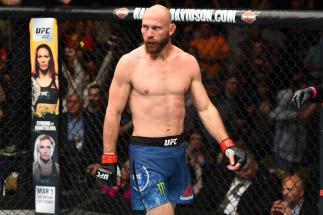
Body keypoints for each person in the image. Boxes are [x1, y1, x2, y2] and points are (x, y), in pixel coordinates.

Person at [96, 4, 246, 215]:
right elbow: (113, 112)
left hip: (177, 151)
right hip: (146, 153)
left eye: (156, 28)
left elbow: (205, 108)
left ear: (171, 29)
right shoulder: (129, 63)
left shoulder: (188, 63)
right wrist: (109, 158)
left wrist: (227, 144)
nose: (149, 34)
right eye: (145, 27)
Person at [214, 149, 281, 215]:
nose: (242, 173)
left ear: (255, 165)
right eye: (238, 170)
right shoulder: (224, 174)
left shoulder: (266, 182)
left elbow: (262, 208)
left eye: (245, 170)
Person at [31, 44, 59, 117]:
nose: (43, 60)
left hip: (53, 123)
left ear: (50, 58)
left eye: (46, 56)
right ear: (36, 60)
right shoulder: (32, 81)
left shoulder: (56, 80)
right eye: (39, 57)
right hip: (35, 123)